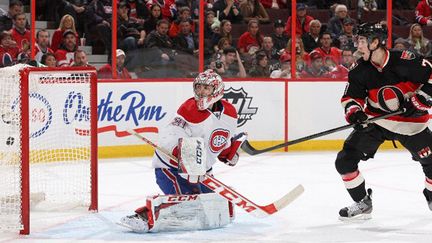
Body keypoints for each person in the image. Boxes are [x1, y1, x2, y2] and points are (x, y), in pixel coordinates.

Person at [119, 69, 246, 233]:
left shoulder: (230, 113)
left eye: (206, 88)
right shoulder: (189, 109)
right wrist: (185, 156)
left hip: (202, 173)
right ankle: (144, 216)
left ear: (217, 90)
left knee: (214, 203)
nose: (201, 92)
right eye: (199, 87)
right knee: (190, 203)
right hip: (170, 168)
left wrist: (228, 153)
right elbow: (171, 134)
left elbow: (218, 140)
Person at [336, 23, 432, 220]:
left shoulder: (406, 60)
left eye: (361, 41)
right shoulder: (358, 70)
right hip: (378, 123)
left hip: (410, 124)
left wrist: (421, 98)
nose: (357, 45)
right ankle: (362, 202)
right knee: (345, 160)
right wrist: (355, 113)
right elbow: (351, 98)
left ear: (375, 42)